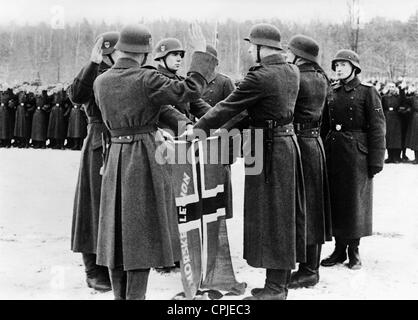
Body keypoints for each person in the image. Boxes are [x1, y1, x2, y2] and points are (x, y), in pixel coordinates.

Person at [93, 23, 217, 300]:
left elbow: (144, 108)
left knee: (117, 235)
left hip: (115, 157)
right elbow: (190, 89)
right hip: (143, 157)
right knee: (141, 236)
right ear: (146, 53)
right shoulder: (146, 79)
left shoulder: (101, 81)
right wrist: (200, 53)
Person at [185, 23, 306, 300]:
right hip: (283, 145)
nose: (250, 51)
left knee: (272, 217)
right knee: (281, 216)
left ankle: (276, 290)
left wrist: (197, 130)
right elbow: (249, 112)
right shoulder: (291, 70)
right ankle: (278, 283)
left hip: (267, 149)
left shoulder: (261, 77)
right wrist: (216, 131)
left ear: (264, 49)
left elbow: (229, 107)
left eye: (253, 46)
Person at [320, 49, 386, 270]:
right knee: (336, 201)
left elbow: (378, 127)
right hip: (334, 152)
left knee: (354, 203)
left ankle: (353, 250)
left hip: (357, 155)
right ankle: (339, 250)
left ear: (354, 68)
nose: (338, 69)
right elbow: (324, 125)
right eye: (336, 65)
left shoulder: (368, 92)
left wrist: (376, 159)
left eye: (343, 65)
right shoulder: (331, 91)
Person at [68, 31, 119, 292]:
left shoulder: (128, 72)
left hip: (123, 141)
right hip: (99, 142)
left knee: (116, 207)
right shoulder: (94, 72)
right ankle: (92, 269)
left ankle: (111, 265)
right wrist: (92, 63)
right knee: (92, 205)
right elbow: (76, 95)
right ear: (108, 53)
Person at [285, 35, 332, 289]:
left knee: (303, 206)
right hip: (314, 144)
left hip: (300, 144)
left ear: (297, 55)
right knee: (313, 206)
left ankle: (308, 270)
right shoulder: (321, 77)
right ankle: (309, 267)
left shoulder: (298, 77)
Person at [382, 83, 402, 163]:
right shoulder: (385, 97)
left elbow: (403, 102)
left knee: (396, 138)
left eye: (393, 87)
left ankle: (396, 157)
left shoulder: (398, 97)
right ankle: (390, 157)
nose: (391, 88)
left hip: (396, 118)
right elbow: (380, 106)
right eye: (390, 87)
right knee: (389, 138)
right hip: (387, 118)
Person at [405, 85, 418, 164]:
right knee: (415, 139)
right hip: (416, 119)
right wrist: (404, 91)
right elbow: (404, 100)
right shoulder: (413, 98)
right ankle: (416, 158)